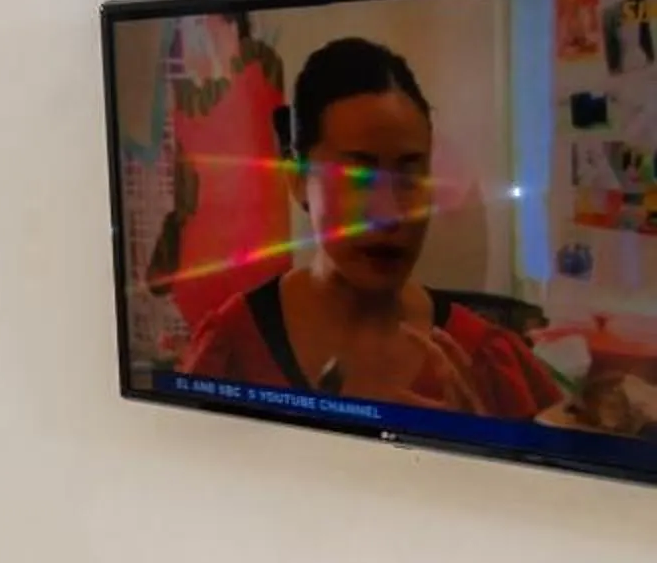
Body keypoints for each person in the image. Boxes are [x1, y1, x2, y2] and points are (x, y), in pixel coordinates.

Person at [179, 37, 555, 417]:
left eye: (410, 176)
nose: (389, 213)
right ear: (297, 181)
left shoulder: (483, 361)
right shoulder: (234, 347)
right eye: (358, 178)